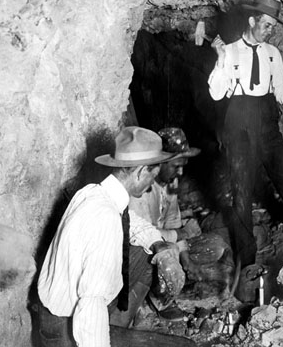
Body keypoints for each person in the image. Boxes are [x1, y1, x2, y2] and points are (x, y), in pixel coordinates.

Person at [34, 126, 180, 347]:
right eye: (153, 175)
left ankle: (117, 327)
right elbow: (90, 304)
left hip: (65, 312)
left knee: (148, 254)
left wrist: (160, 246)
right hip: (65, 328)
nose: (152, 186)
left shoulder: (95, 193)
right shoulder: (105, 218)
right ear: (140, 171)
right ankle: (112, 334)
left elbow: (132, 223)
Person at [208, 0, 283, 270]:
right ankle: (246, 265)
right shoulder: (231, 50)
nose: (270, 30)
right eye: (267, 24)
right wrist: (220, 59)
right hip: (238, 124)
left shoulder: (273, 54)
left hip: (267, 123)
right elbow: (216, 93)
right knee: (241, 195)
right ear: (252, 20)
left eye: (273, 26)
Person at [119, 127, 232, 322]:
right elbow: (144, 235)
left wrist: (186, 259)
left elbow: (173, 221)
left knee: (215, 245)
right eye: (175, 166)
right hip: (143, 252)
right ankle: (157, 301)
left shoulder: (171, 184)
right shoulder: (142, 187)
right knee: (166, 249)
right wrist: (180, 234)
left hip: (166, 244)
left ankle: (175, 283)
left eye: (183, 166)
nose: (180, 171)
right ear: (160, 163)